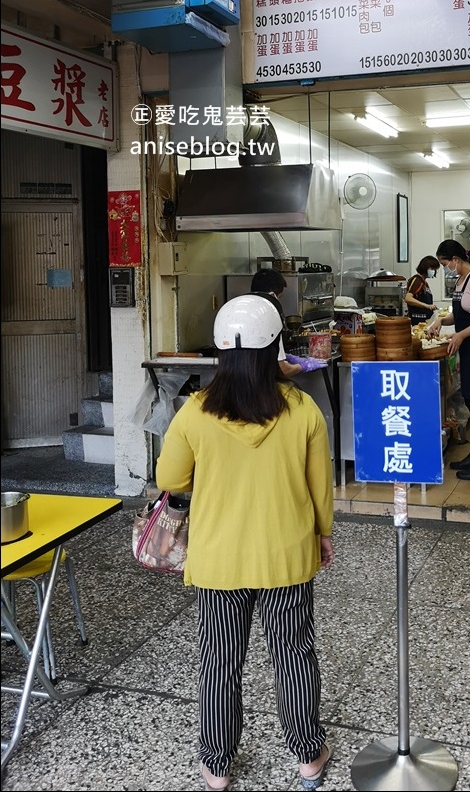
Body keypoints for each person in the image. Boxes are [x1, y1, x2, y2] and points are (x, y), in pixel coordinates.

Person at [156, 295, 334, 792]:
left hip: (217, 560)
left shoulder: (195, 412)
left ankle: (217, 766)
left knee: (218, 662)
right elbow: (321, 488)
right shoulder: (303, 411)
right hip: (287, 557)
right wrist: (323, 535)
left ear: (220, 351)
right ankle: (307, 756)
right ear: (275, 346)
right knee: (294, 655)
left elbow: (169, 477)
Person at [427, 239, 470, 481]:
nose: (446, 268)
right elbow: (459, 314)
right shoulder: (460, 281)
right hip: (468, 348)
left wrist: (462, 334)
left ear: (456, 260)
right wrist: (440, 321)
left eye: (446, 263)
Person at [250, 269, 303, 376]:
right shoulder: (270, 319)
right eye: (279, 297)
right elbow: (282, 370)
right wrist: (303, 365)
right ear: (272, 295)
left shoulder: (240, 311)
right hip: (260, 388)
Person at [404, 255, 441, 325]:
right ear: (425, 267)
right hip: (417, 321)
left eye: (435, 269)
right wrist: (427, 306)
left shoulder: (424, 282)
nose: (434, 271)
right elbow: (408, 298)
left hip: (425, 320)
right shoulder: (417, 280)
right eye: (432, 269)